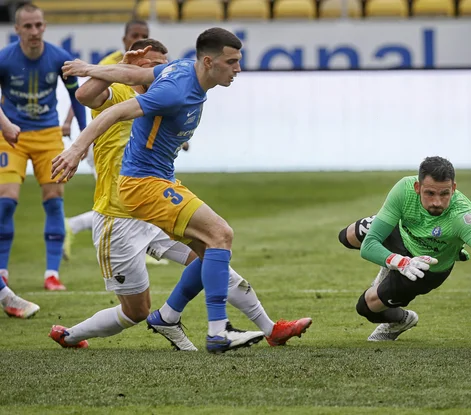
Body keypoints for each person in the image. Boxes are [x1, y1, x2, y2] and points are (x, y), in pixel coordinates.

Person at [52, 28, 312, 353]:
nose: (238, 69)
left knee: (211, 252)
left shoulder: (174, 78)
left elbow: (142, 73)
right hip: (120, 211)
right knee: (137, 309)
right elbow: (96, 99)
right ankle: (76, 335)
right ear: (209, 61)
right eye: (231, 62)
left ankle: (260, 327)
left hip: (154, 192)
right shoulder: (151, 93)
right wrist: (76, 149)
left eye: (163, 62)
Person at [336, 156, 471, 341]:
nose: (437, 202)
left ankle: (402, 320)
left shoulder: (460, 216)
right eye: (429, 193)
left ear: (453, 188)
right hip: (404, 238)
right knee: (348, 235)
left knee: (366, 306)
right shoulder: (403, 190)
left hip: (428, 268)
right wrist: (401, 262)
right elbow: (369, 246)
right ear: (417, 187)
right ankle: (391, 262)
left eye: (444, 193)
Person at [0, 2, 87, 290]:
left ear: (45, 26)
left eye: (39, 25)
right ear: (17, 29)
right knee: (5, 202)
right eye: (28, 26)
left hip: (49, 135)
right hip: (11, 135)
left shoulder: (59, 58)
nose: (34, 31)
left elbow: (78, 96)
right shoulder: (4, 59)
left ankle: (52, 274)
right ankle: (2, 272)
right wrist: (5, 125)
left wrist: (84, 135)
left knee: (53, 201)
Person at [63, 19, 150, 261]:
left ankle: (144, 244)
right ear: (124, 39)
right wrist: (70, 121)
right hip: (103, 140)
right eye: (135, 34)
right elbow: (88, 93)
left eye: (144, 34)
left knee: (128, 194)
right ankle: (73, 226)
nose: (138, 38)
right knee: (115, 198)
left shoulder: (146, 66)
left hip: (128, 142)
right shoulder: (110, 64)